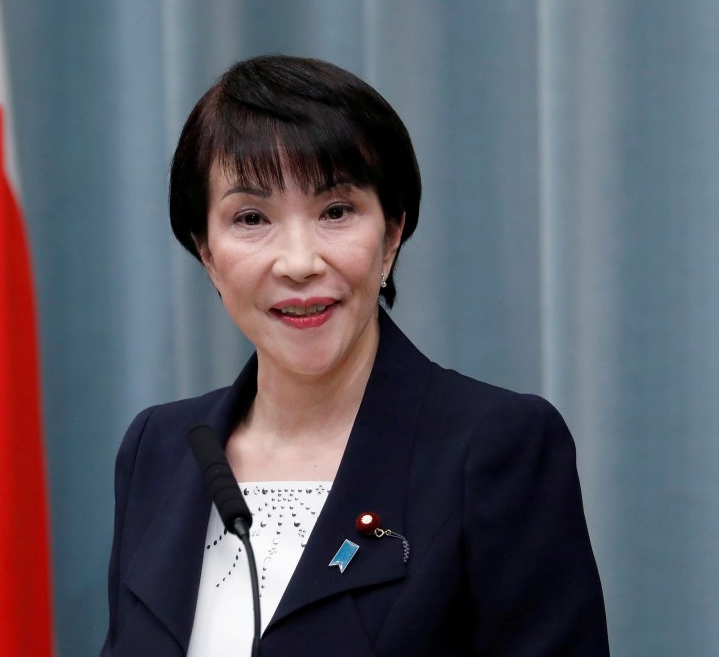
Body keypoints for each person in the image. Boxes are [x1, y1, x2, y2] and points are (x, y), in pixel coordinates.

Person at [101, 55, 609, 656]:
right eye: (251, 218)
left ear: (392, 233)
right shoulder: (160, 449)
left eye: (335, 212)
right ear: (206, 253)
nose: (298, 262)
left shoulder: (496, 446)